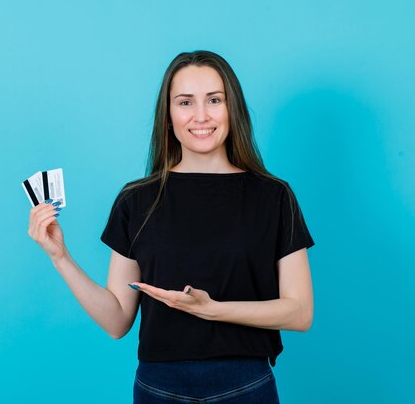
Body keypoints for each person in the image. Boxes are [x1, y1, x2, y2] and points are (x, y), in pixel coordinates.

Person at [28, 50, 315, 404]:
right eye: (184, 102)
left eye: (214, 100)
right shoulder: (137, 200)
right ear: (168, 115)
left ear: (232, 108)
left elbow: (300, 312)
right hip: (158, 388)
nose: (201, 116)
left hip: (245, 385)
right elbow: (117, 320)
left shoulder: (274, 197)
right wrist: (61, 258)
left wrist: (213, 309)